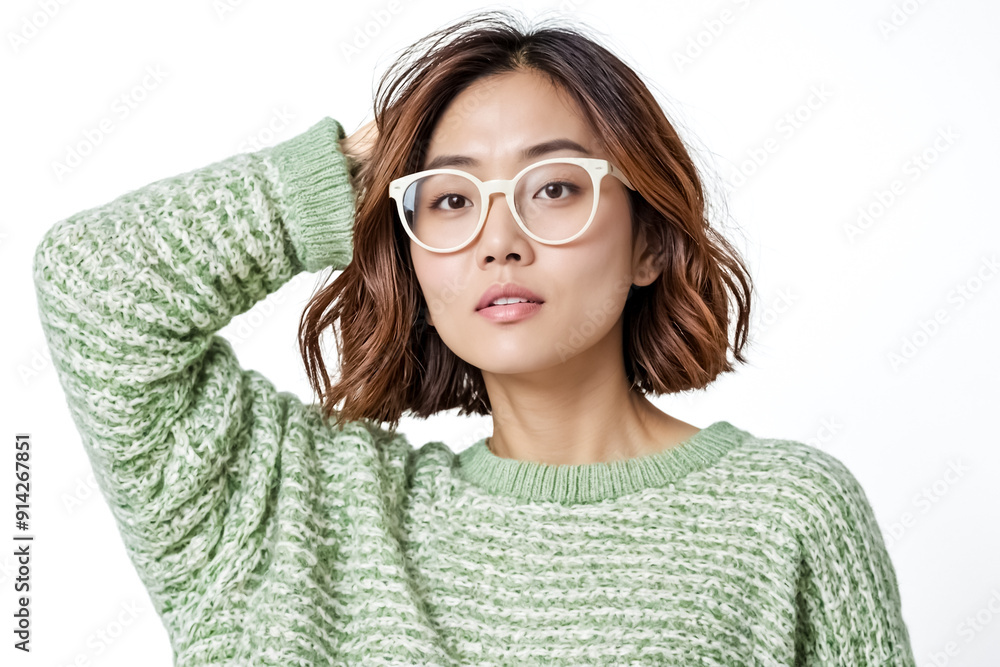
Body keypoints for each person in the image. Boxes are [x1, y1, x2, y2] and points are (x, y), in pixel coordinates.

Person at [32, 9, 916, 666]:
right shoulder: (298, 518)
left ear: (649, 239)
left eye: (556, 187)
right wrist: (360, 164)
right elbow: (93, 287)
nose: (500, 237)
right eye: (451, 200)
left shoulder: (786, 515)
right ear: (413, 257)